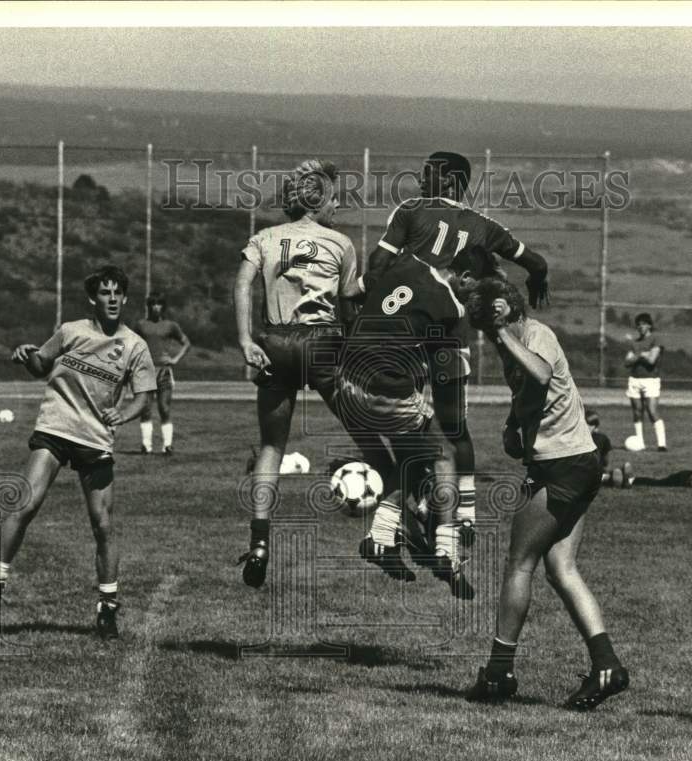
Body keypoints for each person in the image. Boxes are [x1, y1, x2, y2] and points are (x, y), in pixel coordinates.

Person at [364, 151, 550, 548]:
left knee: (408, 425)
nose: (419, 178)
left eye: (428, 173)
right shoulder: (485, 226)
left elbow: (377, 265)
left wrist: (374, 309)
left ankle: (410, 507)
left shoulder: (411, 210)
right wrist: (538, 279)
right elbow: (535, 261)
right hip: (451, 336)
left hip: (412, 333)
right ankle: (464, 515)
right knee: (454, 427)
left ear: (449, 181)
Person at [463, 277, 628, 708]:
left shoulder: (536, 335)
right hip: (574, 463)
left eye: (486, 325)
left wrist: (501, 332)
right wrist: (512, 424)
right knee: (561, 568)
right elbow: (529, 392)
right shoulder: (513, 344)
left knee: (519, 563)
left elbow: (541, 373)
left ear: (502, 310)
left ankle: (499, 673)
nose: (486, 337)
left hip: (563, 465)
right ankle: (607, 666)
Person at [234, 159, 392, 589]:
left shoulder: (265, 238)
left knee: (271, 447)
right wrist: (381, 279)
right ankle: (393, 529)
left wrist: (246, 340)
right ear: (317, 202)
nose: (338, 207)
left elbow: (242, 283)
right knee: (371, 441)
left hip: (274, 343)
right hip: (321, 343)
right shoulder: (339, 243)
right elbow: (349, 296)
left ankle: (259, 542)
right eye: (334, 200)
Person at [0, 265, 156, 640]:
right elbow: (40, 366)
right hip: (55, 428)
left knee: (102, 525)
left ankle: (107, 609)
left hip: (95, 439)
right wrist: (27, 354)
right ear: (93, 298)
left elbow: (144, 397)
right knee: (25, 505)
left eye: (117, 293)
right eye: (104, 292)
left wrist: (123, 414)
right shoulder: (71, 331)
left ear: (125, 298)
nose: (111, 298)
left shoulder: (135, 346)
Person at [338, 248, 486, 598]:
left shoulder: (406, 261)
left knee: (411, 454)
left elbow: (349, 292)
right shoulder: (452, 308)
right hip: (385, 389)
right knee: (444, 451)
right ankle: (446, 548)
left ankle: (381, 537)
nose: (474, 296)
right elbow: (446, 372)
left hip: (345, 379)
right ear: (464, 277)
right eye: (477, 287)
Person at [132, 292, 191, 455]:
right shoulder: (141, 325)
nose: (156, 307)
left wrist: (175, 359)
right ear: (149, 306)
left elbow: (186, 343)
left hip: (164, 372)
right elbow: (130, 343)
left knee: (164, 408)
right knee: (145, 409)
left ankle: (167, 445)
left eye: (159, 304)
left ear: (163, 307)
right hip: (145, 371)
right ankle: (146, 445)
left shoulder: (170, 326)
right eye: (153, 304)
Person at [624, 313, 667, 451]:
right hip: (634, 380)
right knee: (637, 412)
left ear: (649, 325)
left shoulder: (655, 339)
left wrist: (638, 355)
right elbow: (627, 362)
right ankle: (640, 443)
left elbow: (652, 360)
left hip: (651, 380)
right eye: (638, 324)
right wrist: (643, 354)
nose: (640, 327)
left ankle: (661, 444)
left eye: (643, 324)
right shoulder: (634, 342)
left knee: (652, 410)